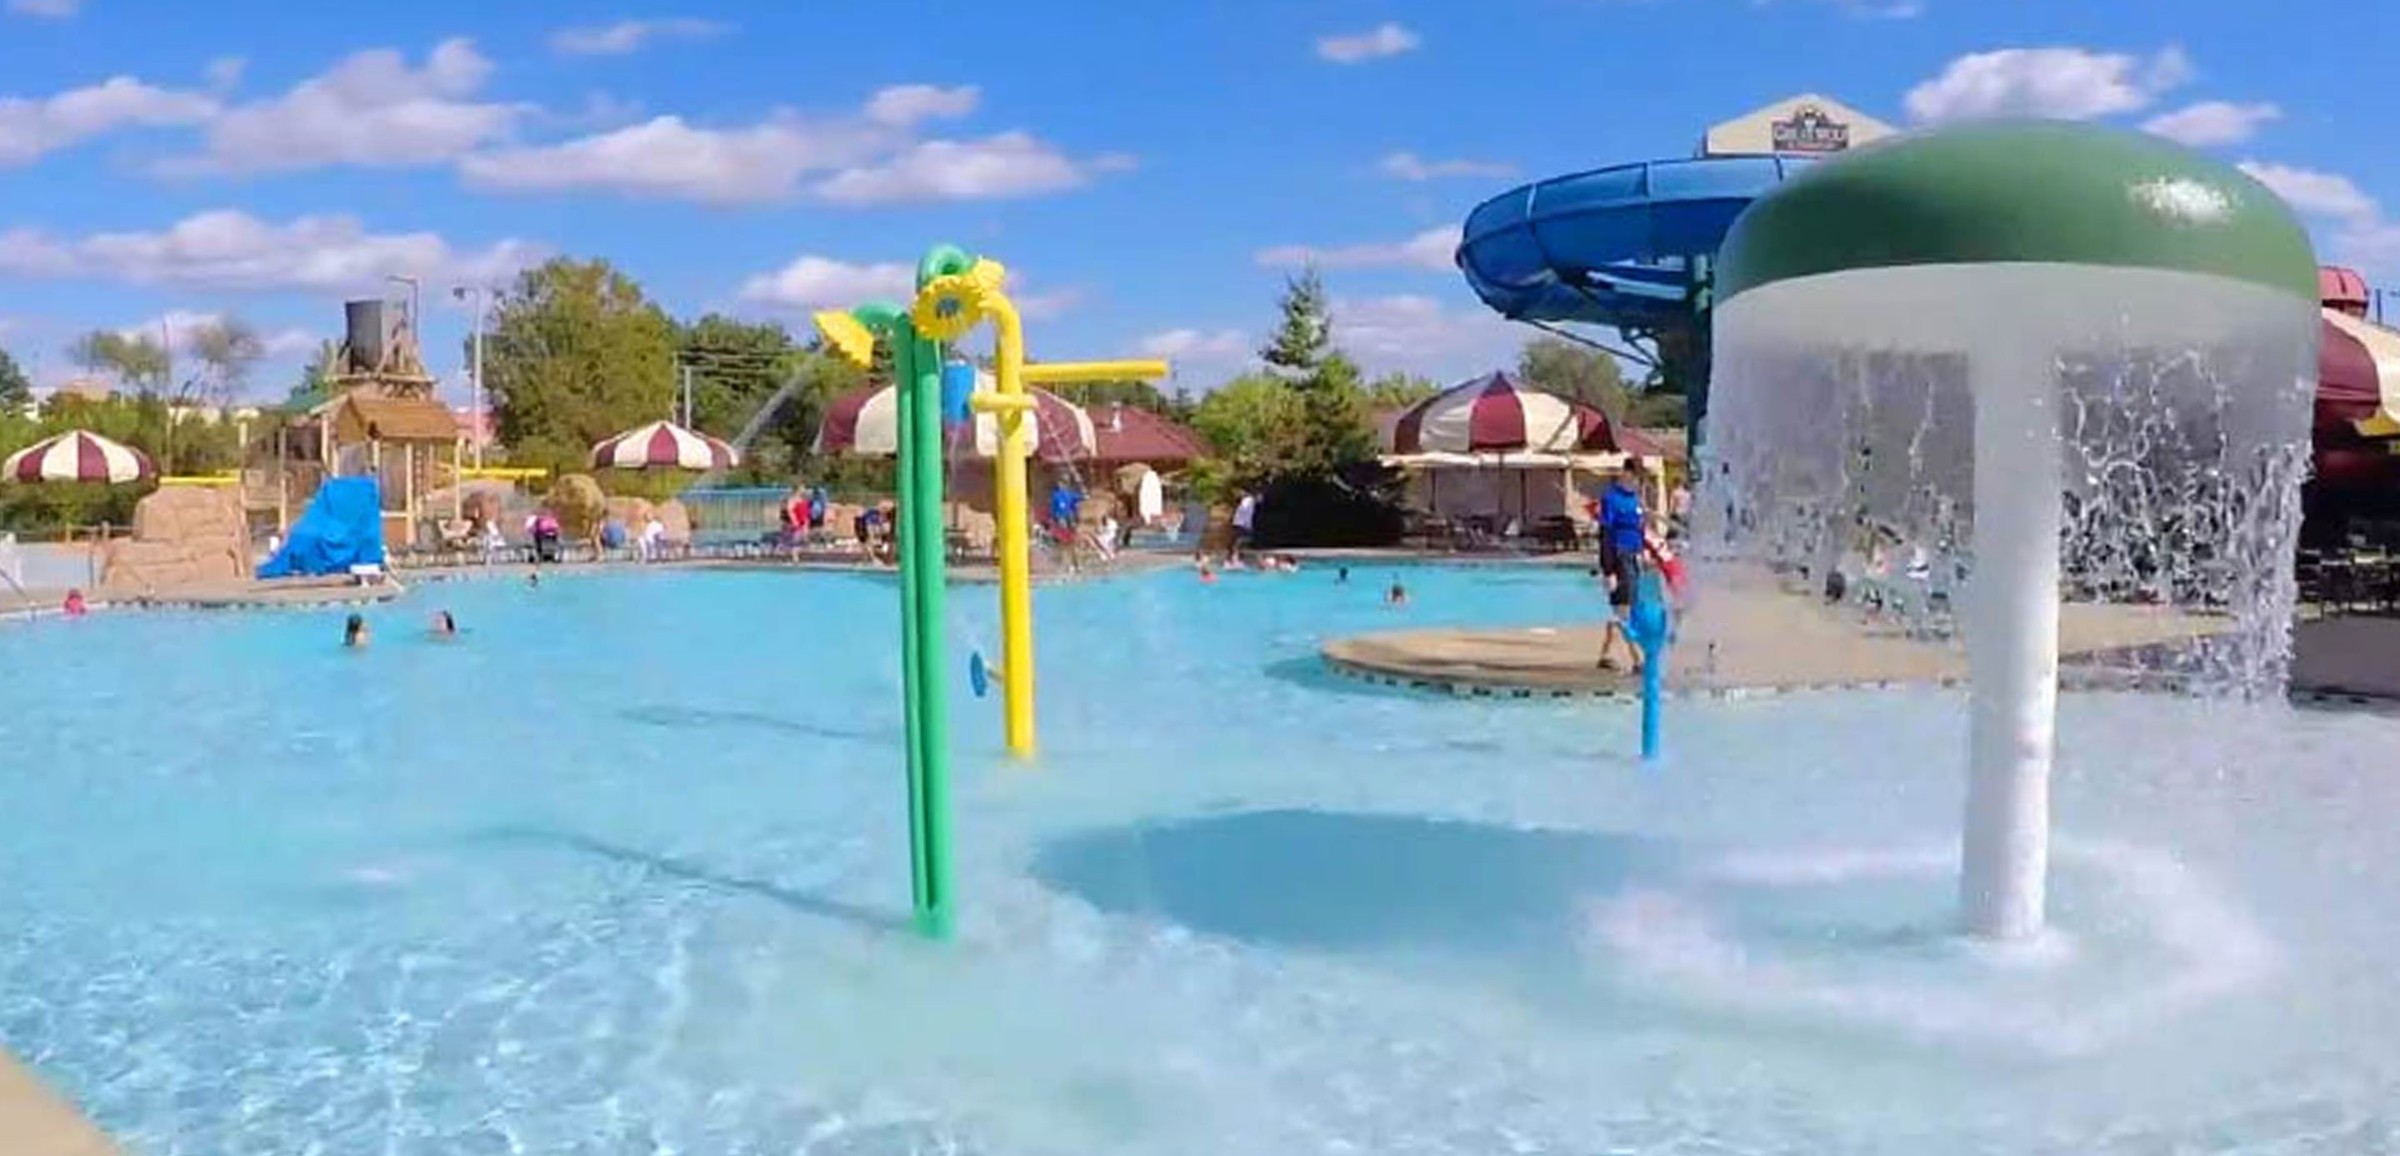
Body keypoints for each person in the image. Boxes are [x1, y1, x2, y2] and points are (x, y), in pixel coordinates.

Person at [1597, 464, 1649, 672]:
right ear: (1627, 475)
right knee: (1624, 608)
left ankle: (1606, 654)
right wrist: (1608, 570)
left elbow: (1639, 528)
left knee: (1623, 608)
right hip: (1619, 556)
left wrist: (1643, 551)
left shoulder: (1635, 500)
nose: (1638, 483)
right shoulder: (1611, 499)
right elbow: (1606, 534)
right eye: (1637, 479)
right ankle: (1637, 657)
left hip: (1633, 556)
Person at [1230, 490, 1258, 557]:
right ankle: (1235, 552)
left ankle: (1238, 552)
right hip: (1242, 523)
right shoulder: (1249, 500)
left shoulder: (1248, 501)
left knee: (1241, 538)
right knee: (1243, 538)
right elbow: (1245, 511)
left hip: (1240, 522)